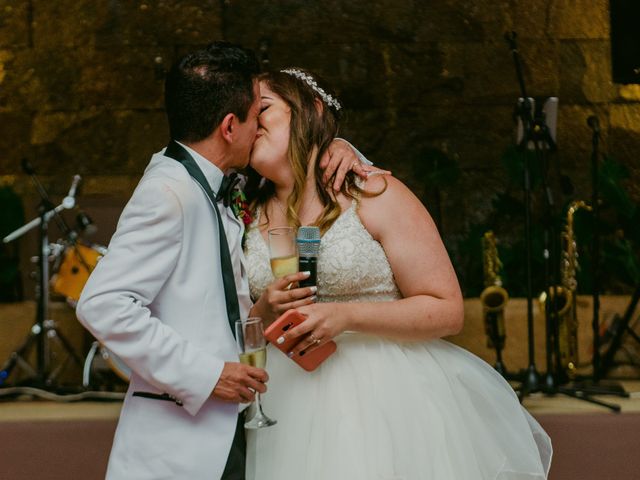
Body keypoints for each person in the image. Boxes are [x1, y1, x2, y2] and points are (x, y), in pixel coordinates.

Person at [243, 68, 553, 479]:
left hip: (389, 400)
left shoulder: (372, 192)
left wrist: (345, 316)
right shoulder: (241, 210)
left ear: (311, 110)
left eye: (263, 108)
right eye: (245, 114)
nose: (253, 121)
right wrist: (264, 309)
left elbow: (447, 310)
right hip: (284, 400)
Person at [76, 44, 365, 480]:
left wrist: (339, 145)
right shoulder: (166, 192)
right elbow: (102, 304)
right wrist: (207, 375)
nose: (261, 129)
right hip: (178, 445)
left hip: (235, 429)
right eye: (256, 116)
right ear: (230, 126)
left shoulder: (222, 184)